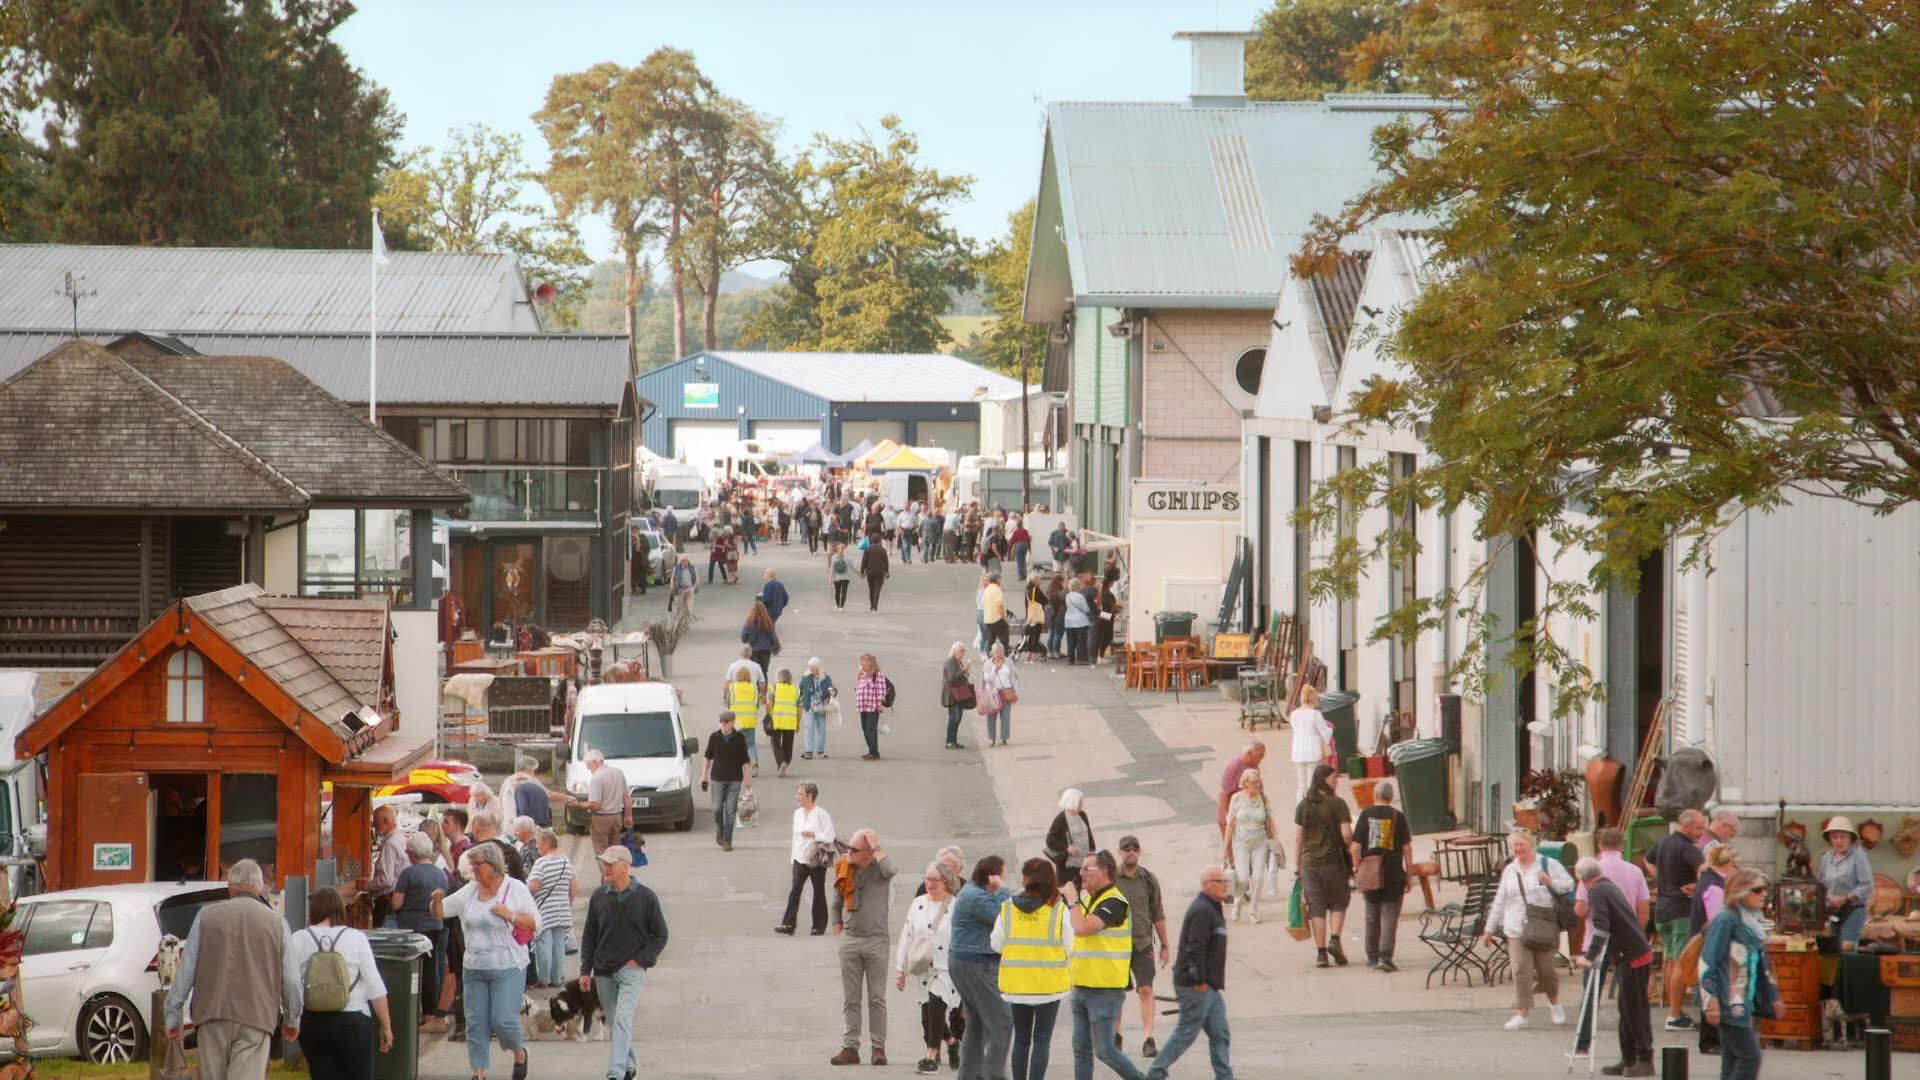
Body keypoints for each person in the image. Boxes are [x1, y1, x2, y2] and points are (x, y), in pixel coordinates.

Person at [163, 859, 286, 1080]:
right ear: (260, 888)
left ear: (230, 887)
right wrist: (293, 1018)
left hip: (211, 1016)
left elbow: (186, 970)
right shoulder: (277, 922)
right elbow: (292, 979)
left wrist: (173, 1014)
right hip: (256, 1017)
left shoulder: (205, 916)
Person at [433, 841, 537, 1080]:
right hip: (474, 967)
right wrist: (436, 900)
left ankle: (519, 1053)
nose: (473, 869)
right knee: (476, 1023)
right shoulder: (469, 891)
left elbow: (534, 923)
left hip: (508, 965)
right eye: (472, 864)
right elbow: (440, 912)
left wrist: (510, 915)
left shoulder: (515, 889)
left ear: (493, 865)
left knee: (503, 1021)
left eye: (477, 864)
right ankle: (478, 1072)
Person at [282, 886, 393, 1080]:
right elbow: (375, 986)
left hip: (313, 1021)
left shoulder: (298, 938)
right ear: (340, 908)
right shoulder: (356, 938)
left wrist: (290, 1019)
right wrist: (386, 1026)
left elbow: (290, 981)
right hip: (353, 1021)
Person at [579, 844, 670, 1080]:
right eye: (604, 863)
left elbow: (661, 935)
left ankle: (615, 1074)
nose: (605, 868)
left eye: (610, 864)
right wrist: (585, 970)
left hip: (632, 971)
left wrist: (640, 960)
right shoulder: (599, 896)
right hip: (603, 971)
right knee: (615, 1023)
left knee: (621, 1020)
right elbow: (589, 936)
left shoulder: (646, 897)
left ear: (626, 867)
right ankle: (629, 1067)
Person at [1062, 851, 1149, 1080]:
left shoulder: (1115, 902)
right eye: (1080, 869)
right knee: (1081, 1050)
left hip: (1104, 989)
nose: (1081, 874)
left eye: (1086, 869)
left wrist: (1072, 901)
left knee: (1105, 1051)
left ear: (1105, 871)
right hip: (1082, 986)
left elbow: (1083, 928)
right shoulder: (1090, 899)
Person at [1571, 827, 1652, 1058]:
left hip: (1596, 941)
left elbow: (1581, 909)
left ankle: (1583, 1044)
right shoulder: (1634, 871)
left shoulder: (1592, 871)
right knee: (1628, 1000)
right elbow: (1643, 909)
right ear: (1622, 845)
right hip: (1628, 944)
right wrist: (1635, 931)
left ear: (1599, 845)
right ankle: (1631, 1052)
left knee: (1591, 993)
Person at [1145, 867, 1232, 1080]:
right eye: (1220, 881)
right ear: (1206, 885)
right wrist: (1199, 980)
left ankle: (1225, 1076)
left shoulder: (1212, 908)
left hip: (1209, 986)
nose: (1225, 885)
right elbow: (1195, 948)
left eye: (1226, 881)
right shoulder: (1203, 910)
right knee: (1186, 1033)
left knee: (1220, 1033)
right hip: (1196, 985)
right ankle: (1155, 1073)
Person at [1483, 827, 1574, 1029]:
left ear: (1531, 844)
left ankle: (1554, 1003)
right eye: (1514, 845)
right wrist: (1489, 929)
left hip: (1543, 925)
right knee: (1521, 971)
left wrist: (1551, 882)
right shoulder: (1510, 870)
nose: (1518, 848)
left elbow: (1569, 884)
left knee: (1546, 971)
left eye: (1521, 844)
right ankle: (1522, 1014)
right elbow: (1500, 900)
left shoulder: (1548, 864)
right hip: (1516, 927)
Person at [1699, 867, 1781, 1080]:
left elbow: (1761, 965)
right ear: (1741, 892)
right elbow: (1708, 961)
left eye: (1765, 889)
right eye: (1758, 889)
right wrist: (1711, 1000)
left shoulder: (1751, 922)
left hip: (1742, 1000)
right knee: (1749, 1057)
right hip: (1729, 1000)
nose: (1764, 894)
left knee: (1733, 1058)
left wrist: (1773, 996)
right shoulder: (1726, 919)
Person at [994, 857, 1071, 1080]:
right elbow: (1070, 945)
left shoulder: (1008, 908)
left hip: (1017, 985)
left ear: (1027, 880)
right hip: (1049, 985)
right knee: (1042, 1040)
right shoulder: (1058, 910)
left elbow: (996, 944)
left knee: (1021, 1039)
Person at [831, 829, 898, 1066]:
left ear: (869, 853)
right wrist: (837, 925)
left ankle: (878, 1048)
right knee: (851, 998)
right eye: (848, 847)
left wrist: (877, 847)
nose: (848, 852)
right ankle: (850, 1047)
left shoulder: (880, 869)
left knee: (877, 998)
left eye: (854, 849)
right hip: (851, 939)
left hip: (876, 940)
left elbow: (892, 870)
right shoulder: (844, 866)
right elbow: (837, 898)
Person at [897, 860, 965, 1075]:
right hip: (923, 967)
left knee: (936, 1007)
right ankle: (951, 1041)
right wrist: (900, 969)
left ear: (947, 882)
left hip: (947, 968)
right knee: (928, 1018)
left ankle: (931, 1058)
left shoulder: (956, 906)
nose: (930, 883)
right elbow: (906, 936)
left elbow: (963, 938)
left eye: (935, 879)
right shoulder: (918, 903)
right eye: (927, 878)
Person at [1644, 809, 1707, 1030]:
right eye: (1699, 828)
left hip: (1662, 910)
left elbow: (1647, 860)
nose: (1701, 833)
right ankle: (1674, 1016)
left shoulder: (1663, 842)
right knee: (1681, 961)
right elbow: (1705, 870)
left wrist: (1661, 878)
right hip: (1681, 910)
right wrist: (1700, 886)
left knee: (1672, 960)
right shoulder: (1689, 848)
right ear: (1686, 826)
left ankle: (1674, 1010)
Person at [950, 855, 1012, 1078]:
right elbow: (1002, 916)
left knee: (977, 1024)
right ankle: (994, 1075)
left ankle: (969, 1075)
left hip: (966, 962)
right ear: (993, 876)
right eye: (1003, 873)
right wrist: (1002, 890)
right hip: (977, 963)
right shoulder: (976, 896)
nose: (1005, 877)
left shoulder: (973, 892)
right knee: (1002, 1021)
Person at [1111, 837, 1169, 1058]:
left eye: (1134, 849)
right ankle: (1116, 1036)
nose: (1131, 852)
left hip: (1143, 944)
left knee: (1145, 989)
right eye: (1126, 849)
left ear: (1140, 851)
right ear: (1119, 852)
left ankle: (1148, 1039)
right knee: (1117, 992)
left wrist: (1164, 945)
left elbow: (1158, 914)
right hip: (1116, 946)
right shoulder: (1111, 879)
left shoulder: (1149, 879)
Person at [1294, 764, 1354, 967]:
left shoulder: (1303, 805)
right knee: (1338, 902)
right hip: (1333, 862)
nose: (1336, 782)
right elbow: (1346, 834)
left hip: (1309, 864)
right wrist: (1351, 849)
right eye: (1333, 778)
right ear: (1324, 780)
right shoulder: (1338, 804)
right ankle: (1335, 939)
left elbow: (1298, 838)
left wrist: (1298, 865)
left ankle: (1321, 954)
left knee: (1316, 908)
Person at [1350, 779, 1414, 971]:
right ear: (1391, 797)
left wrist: (1356, 866)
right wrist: (1409, 874)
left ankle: (1372, 957)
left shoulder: (1365, 815)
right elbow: (1407, 848)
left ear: (1374, 795)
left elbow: (1355, 847)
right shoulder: (1398, 816)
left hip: (1370, 873)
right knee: (1390, 915)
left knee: (1371, 915)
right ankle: (1385, 958)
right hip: (1393, 873)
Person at [392, 832, 452, 1018]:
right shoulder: (441, 874)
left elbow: (396, 904)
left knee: (409, 971)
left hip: (411, 929)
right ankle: (429, 1013)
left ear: (412, 853)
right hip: (435, 926)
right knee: (430, 971)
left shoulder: (408, 874)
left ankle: (409, 1012)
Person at [1221, 769, 1278, 924]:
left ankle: (1253, 910)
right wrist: (1225, 847)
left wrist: (1275, 840)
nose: (1257, 785)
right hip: (1241, 842)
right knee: (1243, 878)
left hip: (1260, 841)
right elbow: (1230, 824)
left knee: (1258, 878)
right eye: (1254, 782)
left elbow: (1269, 820)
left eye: (1259, 782)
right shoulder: (1237, 798)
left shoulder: (1263, 798)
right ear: (1245, 783)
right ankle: (1238, 903)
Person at [779, 782, 837, 935]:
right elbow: (795, 837)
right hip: (799, 858)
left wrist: (814, 835)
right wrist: (793, 857)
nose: (797, 797)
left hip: (815, 858)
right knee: (795, 890)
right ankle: (788, 924)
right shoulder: (797, 814)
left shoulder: (821, 814)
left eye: (800, 794)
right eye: (797, 794)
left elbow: (830, 836)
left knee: (818, 891)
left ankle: (819, 925)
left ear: (810, 796)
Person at [526, 829, 576, 988]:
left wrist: (526, 891)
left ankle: (544, 979)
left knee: (543, 945)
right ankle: (557, 978)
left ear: (546, 843)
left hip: (544, 911)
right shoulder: (566, 862)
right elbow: (573, 887)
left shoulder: (541, 863)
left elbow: (534, 886)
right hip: (562, 910)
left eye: (538, 843)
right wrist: (568, 904)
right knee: (559, 946)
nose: (537, 847)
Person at [1817, 816, 1873, 949]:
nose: (1839, 841)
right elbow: (1821, 884)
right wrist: (1829, 899)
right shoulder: (1826, 858)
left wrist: (1845, 898)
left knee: (1847, 948)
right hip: (1833, 910)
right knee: (1833, 949)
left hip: (1853, 910)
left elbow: (1867, 885)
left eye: (1842, 837)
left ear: (1850, 838)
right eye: (1835, 837)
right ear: (1830, 839)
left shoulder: (1859, 856)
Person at [701, 710, 753, 851]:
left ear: (732, 722)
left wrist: (748, 780)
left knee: (730, 811)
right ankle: (720, 830)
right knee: (716, 809)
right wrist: (703, 775)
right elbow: (707, 757)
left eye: (726, 722)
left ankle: (727, 840)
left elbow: (746, 760)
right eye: (721, 722)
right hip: (717, 779)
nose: (723, 724)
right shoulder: (714, 737)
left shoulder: (740, 738)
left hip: (735, 780)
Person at [578, 749, 632, 855]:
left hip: (601, 819)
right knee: (616, 850)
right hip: (617, 817)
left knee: (601, 851)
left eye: (589, 766)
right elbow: (626, 796)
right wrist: (628, 816)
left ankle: (604, 867)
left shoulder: (596, 778)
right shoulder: (618, 772)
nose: (589, 769)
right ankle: (617, 866)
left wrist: (579, 804)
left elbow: (596, 805)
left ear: (595, 762)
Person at [1287, 686, 1332, 799]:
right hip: (1312, 751)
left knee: (1301, 784)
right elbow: (1324, 732)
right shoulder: (1315, 714)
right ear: (1314, 698)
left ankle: (1300, 805)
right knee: (1312, 784)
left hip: (1298, 751)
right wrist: (1330, 729)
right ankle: (1311, 806)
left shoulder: (1294, 714)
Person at [1047, 788, 1096, 890]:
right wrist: (1066, 848)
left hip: (1084, 862)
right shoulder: (1061, 819)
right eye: (1080, 801)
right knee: (1071, 891)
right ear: (1073, 801)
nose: (1082, 803)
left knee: (1088, 889)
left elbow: (1089, 834)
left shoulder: (1082, 815)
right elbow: (1050, 840)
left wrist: (1093, 850)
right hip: (1069, 865)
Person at [727, 663, 766, 769]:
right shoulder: (753, 687)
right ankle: (754, 762)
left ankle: (736, 765)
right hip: (750, 720)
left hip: (737, 721)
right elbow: (757, 704)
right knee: (751, 743)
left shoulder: (732, 687)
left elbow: (729, 703)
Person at [981, 642, 1019, 748]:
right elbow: (986, 679)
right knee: (991, 716)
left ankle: (1004, 738)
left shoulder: (1009, 662)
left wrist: (1016, 691)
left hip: (1006, 691)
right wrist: (995, 670)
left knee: (1005, 716)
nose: (999, 653)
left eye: (1001, 651)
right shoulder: (988, 663)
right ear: (992, 652)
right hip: (992, 692)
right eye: (996, 651)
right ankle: (991, 739)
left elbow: (1014, 678)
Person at [766, 667, 802, 776]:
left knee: (775, 743)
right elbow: (799, 708)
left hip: (777, 720)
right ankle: (785, 762)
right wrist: (798, 722)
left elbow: (769, 704)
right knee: (788, 745)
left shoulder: (774, 688)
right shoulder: (796, 689)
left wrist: (768, 714)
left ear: (779, 678)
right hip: (790, 721)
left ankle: (781, 763)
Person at [508, 756, 557, 829]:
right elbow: (548, 805)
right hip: (543, 824)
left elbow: (523, 810)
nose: (534, 775)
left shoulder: (517, 786)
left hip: (528, 825)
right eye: (533, 771)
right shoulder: (539, 788)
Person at [800, 657, 835, 760]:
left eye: (813, 667)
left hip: (822, 707)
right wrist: (801, 702)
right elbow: (800, 690)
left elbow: (831, 691)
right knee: (809, 729)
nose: (810, 669)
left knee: (821, 730)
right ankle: (808, 751)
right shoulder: (805, 677)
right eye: (810, 667)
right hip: (809, 706)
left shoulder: (826, 678)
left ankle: (820, 751)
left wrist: (833, 691)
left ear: (818, 667)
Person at [854, 653, 887, 761]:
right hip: (862, 706)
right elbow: (857, 687)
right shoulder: (862, 674)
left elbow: (881, 690)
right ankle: (871, 752)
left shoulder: (878, 674)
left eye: (863, 661)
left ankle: (875, 753)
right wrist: (858, 675)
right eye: (861, 661)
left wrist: (880, 704)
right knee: (865, 729)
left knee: (870, 729)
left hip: (873, 706)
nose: (861, 663)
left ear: (869, 662)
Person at [370, 803, 408, 896]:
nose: (374, 826)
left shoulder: (390, 843)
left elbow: (386, 879)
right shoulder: (401, 838)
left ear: (386, 821)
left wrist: (367, 886)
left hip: (390, 897)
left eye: (376, 822)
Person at [942, 642, 972, 751]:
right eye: (961, 651)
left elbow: (962, 676)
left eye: (964, 651)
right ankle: (949, 742)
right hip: (952, 694)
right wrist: (964, 670)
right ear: (954, 651)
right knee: (954, 717)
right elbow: (952, 677)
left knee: (958, 718)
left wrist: (966, 672)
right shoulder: (950, 661)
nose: (962, 654)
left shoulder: (958, 661)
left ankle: (953, 741)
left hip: (959, 693)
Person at [741, 599, 781, 676]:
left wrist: (748, 641)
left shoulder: (749, 623)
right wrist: (775, 646)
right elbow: (773, 637)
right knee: (764, 672)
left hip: (753, 650)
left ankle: (756, 684)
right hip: (766, 650)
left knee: (754, 672)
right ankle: (764, 683)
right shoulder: (768, 622)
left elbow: (743, 637)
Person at [860, 532, 891, 611]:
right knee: (877, 590)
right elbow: (886, 562)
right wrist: (887, 572)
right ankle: (875, 607)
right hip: (880, 572)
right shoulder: (883, 550)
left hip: (870, 572)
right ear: (880, 540)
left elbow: (864, 561)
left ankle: (872, 605)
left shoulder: (867, 550)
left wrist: (862, 571)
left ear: (871, 540)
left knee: (871, 589)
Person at [1063, 582, 1091, 664]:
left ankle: (1070, 659)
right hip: (1080, 622)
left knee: (1070, 641)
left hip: (1069, 621)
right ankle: (1081, 659)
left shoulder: (1067, 596)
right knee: (1081, 641)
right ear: (1078, 586)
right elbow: (1085, 609)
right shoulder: (1080, 596)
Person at [982, 572, 1010, 652]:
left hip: (988, 619)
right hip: (996, 618)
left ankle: (989, 654)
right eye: (1000, 580)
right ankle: (1005, 654)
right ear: (997, 580)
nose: (1000, 581)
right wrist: (1004, 617)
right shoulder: (996, 589)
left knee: (991, 639)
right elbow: (999, 605)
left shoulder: (987, 589)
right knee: (1004, 639)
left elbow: (983, 603)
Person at [670, 552, 699, 617]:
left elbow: (697, 579)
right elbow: (672, 579)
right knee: (679, 609)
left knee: (689, 609)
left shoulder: (692, 568)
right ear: (681, 561)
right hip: (680, 590)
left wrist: (693, 587)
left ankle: (687, 621)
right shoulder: (676, 568)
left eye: (686, 560)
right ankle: (679, 621)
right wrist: (672, 587)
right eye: (684, 560)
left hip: (689, 590)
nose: (685, 562)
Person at [1046, 577, 1068, 660]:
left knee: (1052, 633)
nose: (1064, 583)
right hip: (1060, 615)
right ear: (1060, 582)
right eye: (1063, 581)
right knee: (1058, 634)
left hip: (1051, 615)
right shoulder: (1061, 592)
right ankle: (1056, 652)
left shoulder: (1049, 591)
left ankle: (1050, 652)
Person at [830, 541, 856, 610]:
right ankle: (841, 606)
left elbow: (832, 568)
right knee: (843, 592)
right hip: (845, 577)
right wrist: (860, 573)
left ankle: (838, 605)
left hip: (837, 578)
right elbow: (853, 568)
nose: (841, 550)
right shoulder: (848, 558)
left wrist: (830, 578)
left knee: (838, 592)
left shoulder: (834, 557)